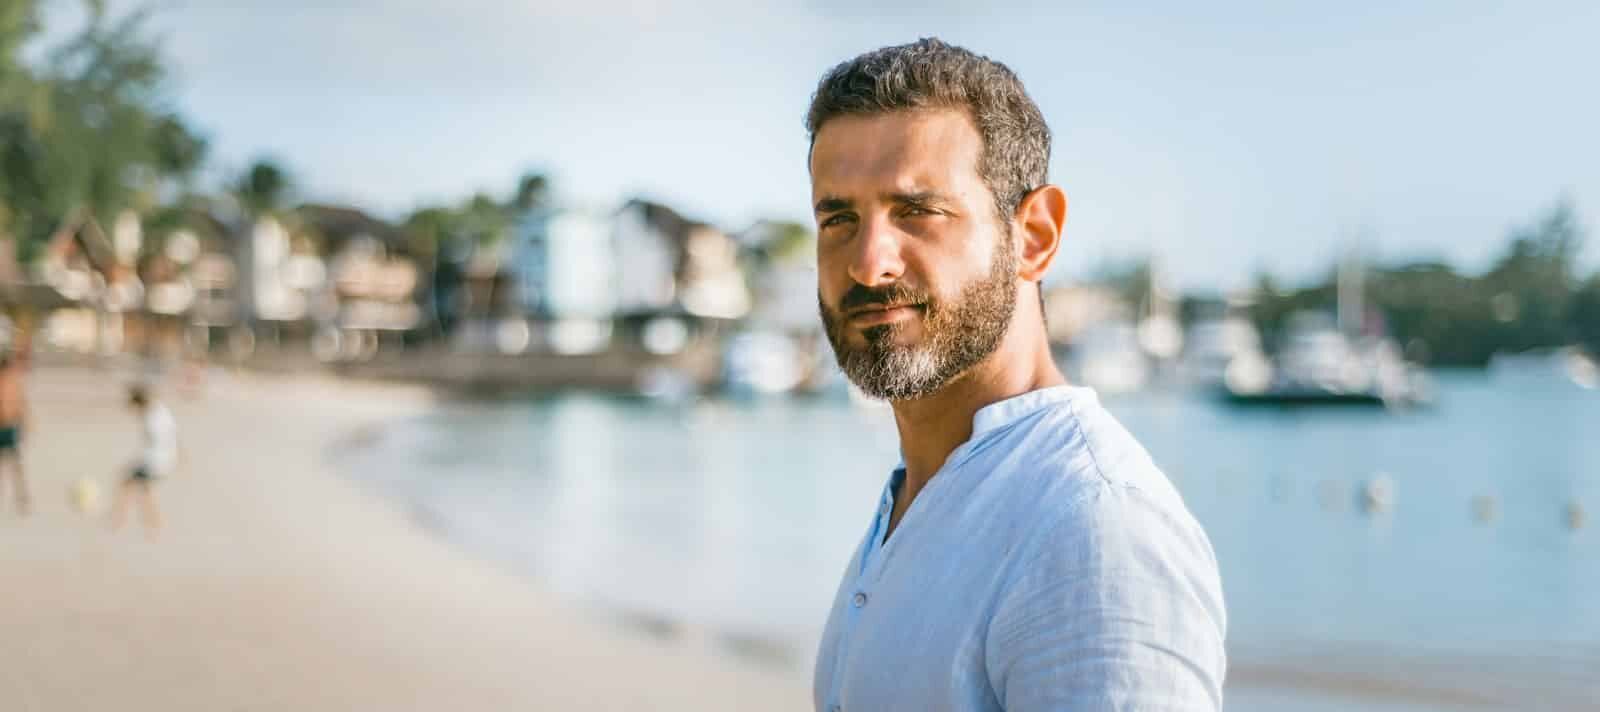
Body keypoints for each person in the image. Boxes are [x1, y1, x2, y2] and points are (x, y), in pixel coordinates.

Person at [807, 39, 1226, 711]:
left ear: (1033, 236)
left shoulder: (1092, 531)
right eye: (839, 218)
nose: (868, 262)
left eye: (918, 210)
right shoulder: (919, 502)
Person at [109, 385, 177, 537]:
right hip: (165, 459)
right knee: (144, 491)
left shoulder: (151, 418)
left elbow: (154, 445)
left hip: (155, 461)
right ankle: (152, 524)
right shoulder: (160, 409)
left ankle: (119, 520)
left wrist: (134, 463)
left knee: (127, 485)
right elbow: (172, 434)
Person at [0, 350, 29, 515]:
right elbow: (19, 404)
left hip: (9, 427)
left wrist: (25, 422)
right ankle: (21, 496)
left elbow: (21, 404)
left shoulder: (13, 383)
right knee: (13, 464)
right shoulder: (9, 382)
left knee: (15, 464)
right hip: (5, 427)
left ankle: (21, 496)